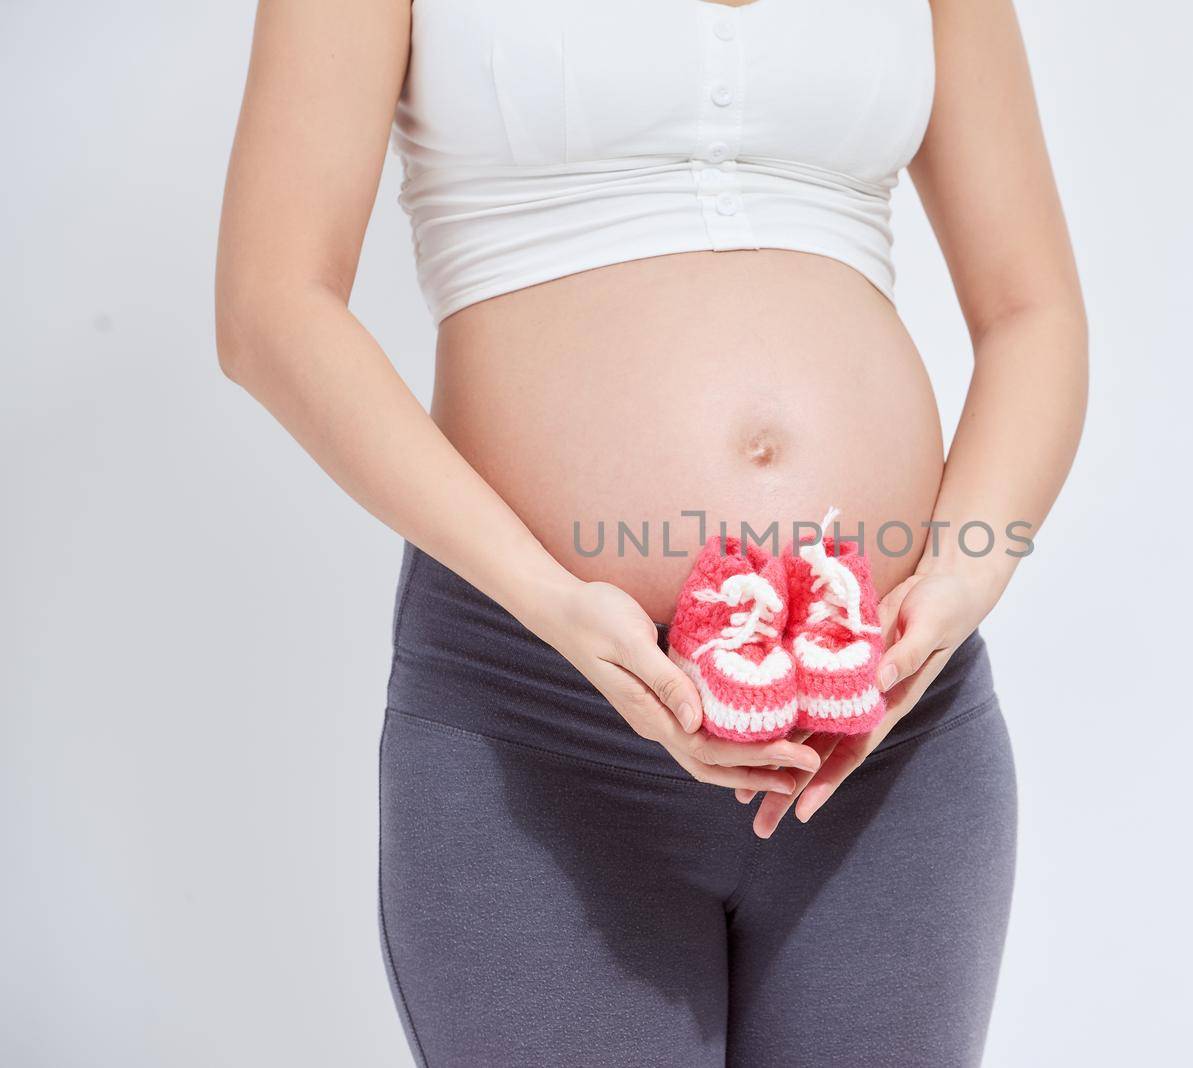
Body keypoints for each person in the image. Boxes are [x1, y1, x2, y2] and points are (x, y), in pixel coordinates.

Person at [215, 0, 1087, 1062]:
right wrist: (550, 600)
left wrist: (957, 586)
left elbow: (1030, 309)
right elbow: (271, 306)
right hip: (542, 722)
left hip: (885, 733)